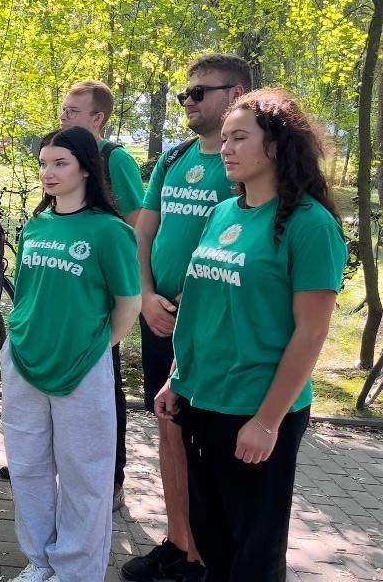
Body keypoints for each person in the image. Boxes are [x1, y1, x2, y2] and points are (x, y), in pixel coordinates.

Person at [155, 89, 346, 581]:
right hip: (202, 397)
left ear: (277, 146)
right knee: (212, 540)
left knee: (254, 555)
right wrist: (177, 376)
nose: (226, 148)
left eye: (239, 138)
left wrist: (267, 421)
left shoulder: (310, 225)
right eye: (224, 139)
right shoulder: (222, 213)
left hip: (256, 407)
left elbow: (311, 332)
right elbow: (202, 307)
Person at [124, 53, 250, 582]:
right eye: (185, 93)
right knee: (170, 433)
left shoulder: (247, 164)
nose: (188, 101)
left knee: (210, 443)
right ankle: (181, 544)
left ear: (236, 93)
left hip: (211, 327)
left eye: (200, 92)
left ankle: (212, 554)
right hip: (159, 317)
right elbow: (144, 231)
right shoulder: (174, 157)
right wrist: (145, 296)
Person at [2, 125, 141, 582]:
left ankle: (76, 570)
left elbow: (128, 305)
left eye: (60, 163)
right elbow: (26, 295)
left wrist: (93, 348)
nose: (49, 172)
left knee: (84, 474)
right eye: (44, 163)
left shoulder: (110, 231)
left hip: (81, 368)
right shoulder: (36, 225)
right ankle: (40, 561)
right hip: (24, 359)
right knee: (28, 467)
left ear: (85, 168)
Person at [32, 79, 144, 510]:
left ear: (97, 118)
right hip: (62, 298)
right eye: (63, 109)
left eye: (73, 111)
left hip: (99, 299)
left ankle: (110, 478)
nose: (64, 117)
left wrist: (111, 268)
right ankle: (51, 464)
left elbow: (135, 220)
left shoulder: (115, 159)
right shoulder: (58, 164)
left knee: (104, 391)